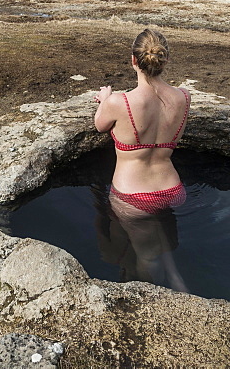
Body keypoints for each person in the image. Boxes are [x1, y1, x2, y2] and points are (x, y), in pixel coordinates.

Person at [93, 28, 192, 291]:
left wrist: (105, 100)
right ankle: (176, 278)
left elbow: (100, 125)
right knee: (157, 240)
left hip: (133, 198)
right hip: (172, 190)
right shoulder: (184, 96)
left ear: (133, 60)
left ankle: (153, 302)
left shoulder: (119, 101)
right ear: (165, 60)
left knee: (147, 255)